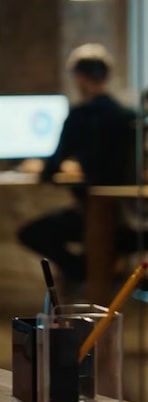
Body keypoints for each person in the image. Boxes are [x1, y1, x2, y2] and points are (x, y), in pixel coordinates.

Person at [18, 43, 139, 285]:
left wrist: (41, 168)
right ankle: (94, 273)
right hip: (129, 220)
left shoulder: (80, 116)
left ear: (80, 78)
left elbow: (51, 169)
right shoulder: (128, 116)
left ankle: (82, 272)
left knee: (30, 233)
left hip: (93, 217)